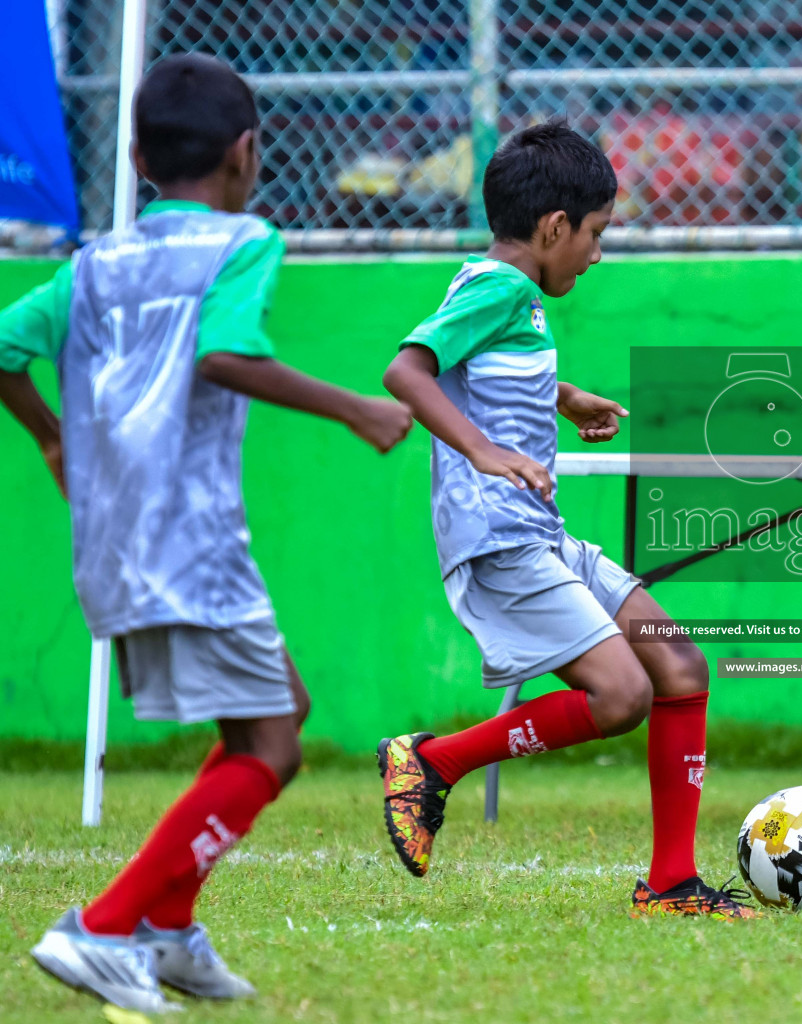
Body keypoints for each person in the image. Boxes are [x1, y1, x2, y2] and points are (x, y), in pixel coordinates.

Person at [1, 54, 413, 1013]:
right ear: (247, 152)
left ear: (137, 155)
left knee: (276, 716)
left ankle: (171, 932)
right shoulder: (244, 241)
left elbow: (5, 346)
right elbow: (226, 356)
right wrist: (355, 408)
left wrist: (53, 438)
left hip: (115, 542)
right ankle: (104, 928)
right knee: (273, 744)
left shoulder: (93, 263)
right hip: (192, 542)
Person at [377, 122, 753, 919]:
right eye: (596, 234)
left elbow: (493, 361)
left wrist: (566, 396)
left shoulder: (506, 293)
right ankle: (433, 763)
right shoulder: (499, 288)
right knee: (621, 695)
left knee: (679, 667)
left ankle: (671, 885)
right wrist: (481, 450)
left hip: (540, 533)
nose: (597, 252)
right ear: (554, 229)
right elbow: (407, 370)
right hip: (501, 539)